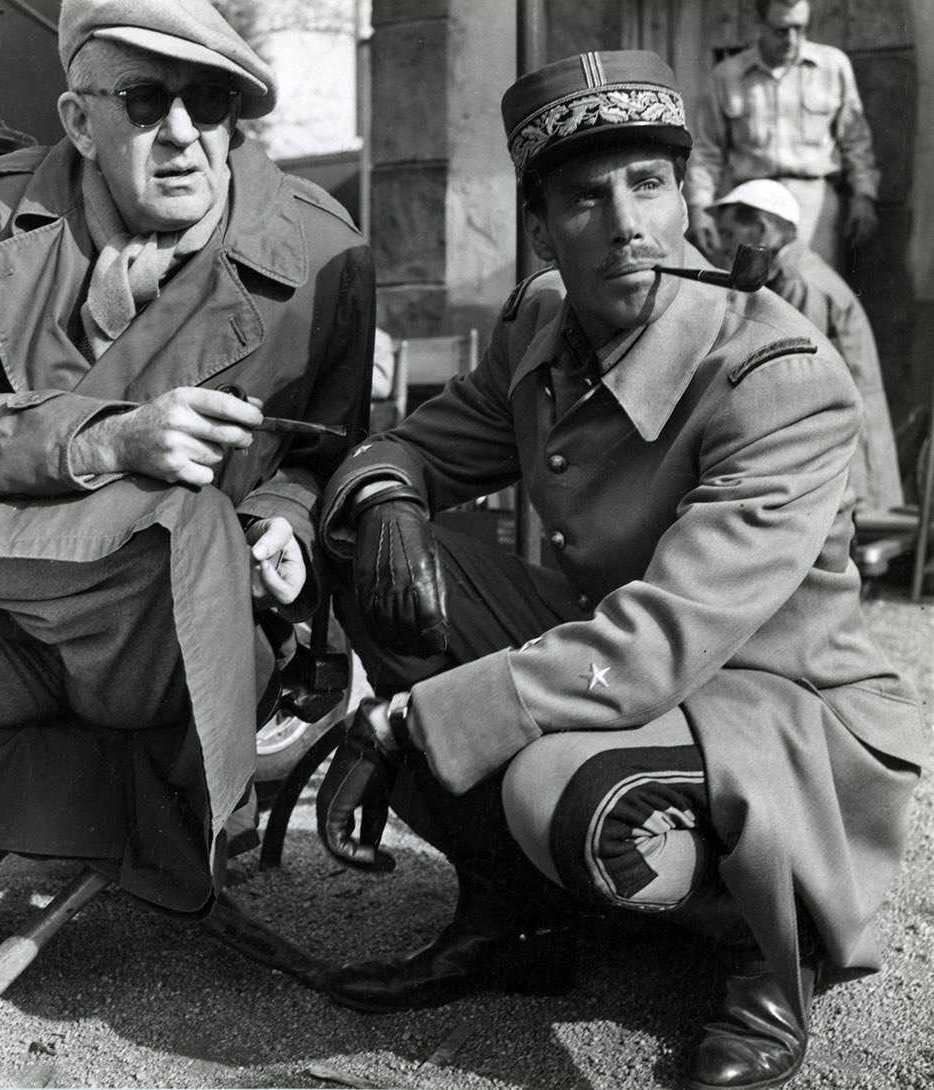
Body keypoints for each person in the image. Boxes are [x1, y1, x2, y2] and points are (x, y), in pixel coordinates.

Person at [312, 49, 927, 1090]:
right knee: (381, 555)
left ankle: (769, 954)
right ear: (541, 230)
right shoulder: (538, 324)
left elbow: (660, 642)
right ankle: (516, 917)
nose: (626, 221)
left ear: (686, 194)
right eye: (585, 196)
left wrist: (413, 718)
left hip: (776, 704)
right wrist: (381, 500)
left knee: (561, 792)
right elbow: (417, 446)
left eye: (648, 182)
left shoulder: (771, 375)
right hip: (614, 645)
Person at [0, 0, 373, 1084]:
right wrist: (103, 438)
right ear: (75, 115)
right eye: (146, 100)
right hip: (4, 614)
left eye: (213, 104)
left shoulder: (321, 249)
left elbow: (334, 451)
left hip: (180, 635)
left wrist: (287, 521)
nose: (185, 133)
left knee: (168, 528)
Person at [710, 178, 902, 512]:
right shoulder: (795, 271)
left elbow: (797, 373)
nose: (725, 247)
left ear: (761, 228)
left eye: (729, 234)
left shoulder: (799, 282)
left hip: (843, 436)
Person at [686, 0, 879, 270]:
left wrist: (864, 196)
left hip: (813, 204)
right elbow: (706, 151)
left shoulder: (833, 67)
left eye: (800, 29)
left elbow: (856, 140)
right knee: (750, 294)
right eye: (781, 30)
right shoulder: (726, 76)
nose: (792, 39)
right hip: (749, 206)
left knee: (810, 287)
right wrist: (699, 208)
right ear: (759, 25)